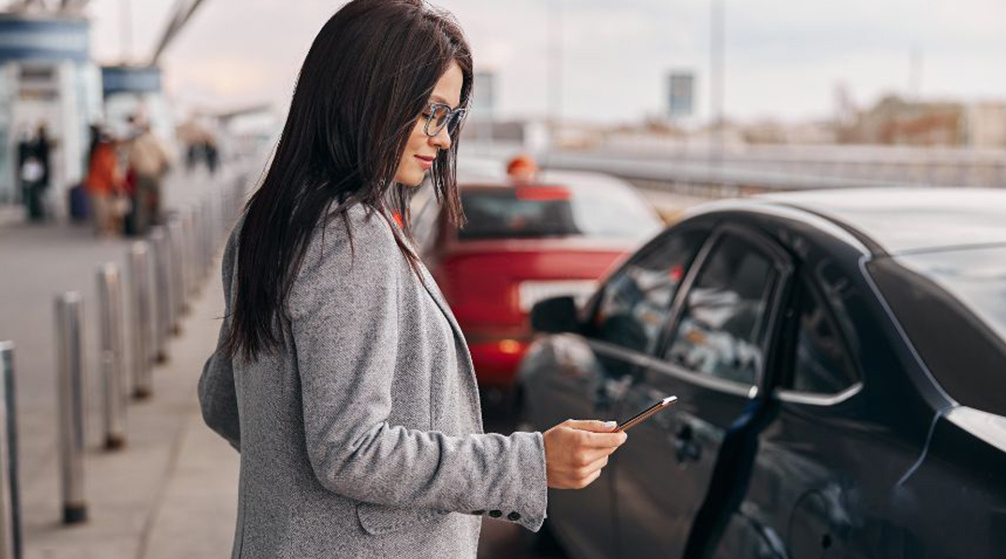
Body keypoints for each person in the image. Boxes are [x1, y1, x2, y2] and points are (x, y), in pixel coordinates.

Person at [197, 1, 627, 557]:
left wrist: (291, 490)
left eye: (450, 117)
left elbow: (220, 399)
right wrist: (530, 463)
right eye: (430, 112)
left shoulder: (270, 222)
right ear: (367, 100)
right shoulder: (350, 239)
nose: (443, 138)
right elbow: (351, 450)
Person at [126, 118, 169, 234]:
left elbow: (131, 159)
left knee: (140, 202)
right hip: (155, 174)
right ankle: (156, 226)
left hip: (142, 174)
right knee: (157, 200)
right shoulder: (157, 140)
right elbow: (166, 157)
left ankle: (139, 228)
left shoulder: (138, 142)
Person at [85, 125, 123, 237]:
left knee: (101, 211)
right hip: (99, 185)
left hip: (99, 185)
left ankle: (102, 231)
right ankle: (102, 232)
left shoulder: (101, 151)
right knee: (102, 212)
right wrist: (115, 185)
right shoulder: (105, 153)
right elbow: (107, 171)